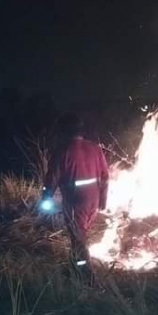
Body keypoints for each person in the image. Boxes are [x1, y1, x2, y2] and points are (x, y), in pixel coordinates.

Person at [41, 114, 110, 275]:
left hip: (75, 201)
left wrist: (46, 197)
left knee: (78, 239)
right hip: (93, 200)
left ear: (64, 131)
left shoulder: (62, 151)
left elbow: (52, 178)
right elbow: (105, 176)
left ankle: (86, 274)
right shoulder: (95, 148)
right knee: (79, 235)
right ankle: (74, 266)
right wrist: (103, 200)